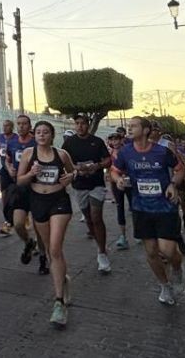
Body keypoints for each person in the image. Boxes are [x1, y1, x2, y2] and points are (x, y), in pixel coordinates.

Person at [111, 116, 185, 306]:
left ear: (145, 130)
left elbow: (180, 169)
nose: (129, 128)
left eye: (134, 126)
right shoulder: (125, 152)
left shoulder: (161, 152)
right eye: (129, 126)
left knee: (168, 250)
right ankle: (164, 285)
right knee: (152, 251)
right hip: (141, 207)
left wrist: (172, 184)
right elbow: (113, 171)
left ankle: (177, 269)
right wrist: (118, 179)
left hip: (164, 206)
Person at [17, 121, 77, 328]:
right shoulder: (27, 154)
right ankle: (64, 280)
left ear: (52, 135)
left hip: (59, 202)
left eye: (46, 132)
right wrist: (32, 174)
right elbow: (20, 181)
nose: (42, 135)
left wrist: (70, 177)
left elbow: (73, 172)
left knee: (55, 248)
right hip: (38, 203)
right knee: (51, 253)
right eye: (39, 132)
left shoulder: (61, 155)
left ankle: (59, 302)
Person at [62, 114, 112, 272]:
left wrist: (96, 166)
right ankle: (98, 242)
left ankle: (102, 252)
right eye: (77, 123)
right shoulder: (69, 143)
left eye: (83, 123)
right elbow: (64, 162)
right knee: (89, 218)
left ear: (88, 125)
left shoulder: (97, 142)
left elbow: (108, 160)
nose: (80, 126)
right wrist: (76, 169)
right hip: (79, 185)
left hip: (96, 184)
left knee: (97, 217)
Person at [4, 114, 46, 273]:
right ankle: (29, 242)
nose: (21, 126)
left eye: (24, 124)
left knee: (38, 226)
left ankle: (43, 258)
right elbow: (7, 158)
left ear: (30, 126)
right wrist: (9, 168)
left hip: (36, 188)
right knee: (18, 224)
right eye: (19, 124)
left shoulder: (36, 142)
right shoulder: (12, 142)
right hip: (20, 188)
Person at [107, 128, 131, 250]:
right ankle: (123, 236)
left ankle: (139, 233)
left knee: (134, 206)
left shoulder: (127, 150)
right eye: (112, 139)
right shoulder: (109, 152)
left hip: (129, 181)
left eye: (116, 139)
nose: (114, 142)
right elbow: (108, 167)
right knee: (119, 206)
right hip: (115, 182)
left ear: (121, 140)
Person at [0, 119, 16, 236]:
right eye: (3, 125)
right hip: (4, 168)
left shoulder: (16, 138)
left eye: (7, 126)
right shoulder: (0, 137)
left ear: (12, 127)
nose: (5, 127)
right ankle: (7, 218)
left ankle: (22, 215)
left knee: (15, 195)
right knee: (4, 193)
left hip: (14, 169)